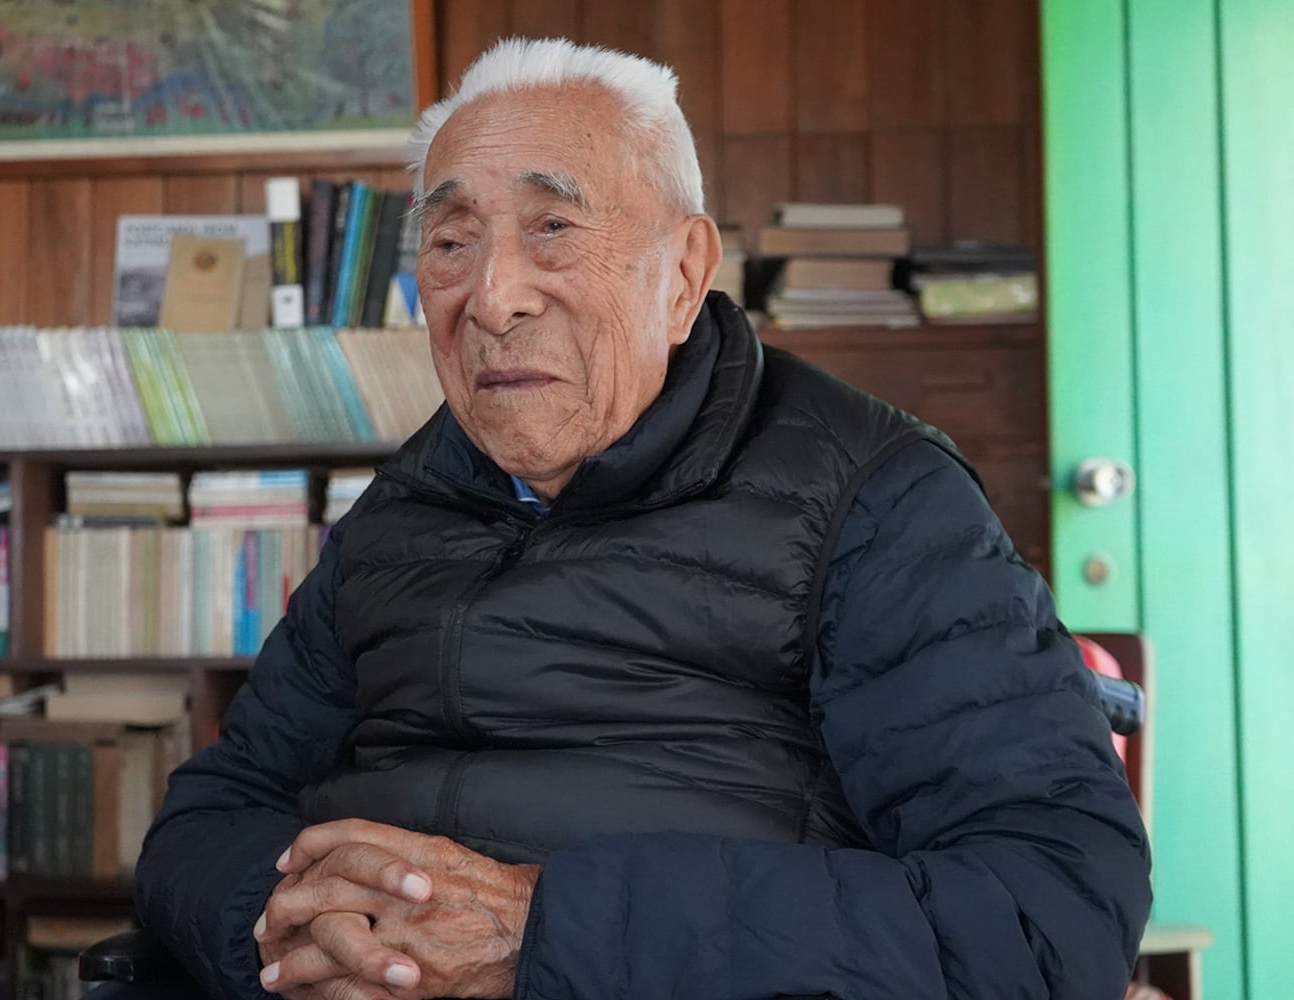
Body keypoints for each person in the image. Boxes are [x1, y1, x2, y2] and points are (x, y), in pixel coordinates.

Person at [135, 38, 1151, 1000]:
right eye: (450, 241)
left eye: (554, 228)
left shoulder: (875, 501)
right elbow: (208, 816)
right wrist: (288, 932)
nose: (491, 296)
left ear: (682, 274)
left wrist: (538, 933)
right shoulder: (399, 511)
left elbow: (1047, 912)